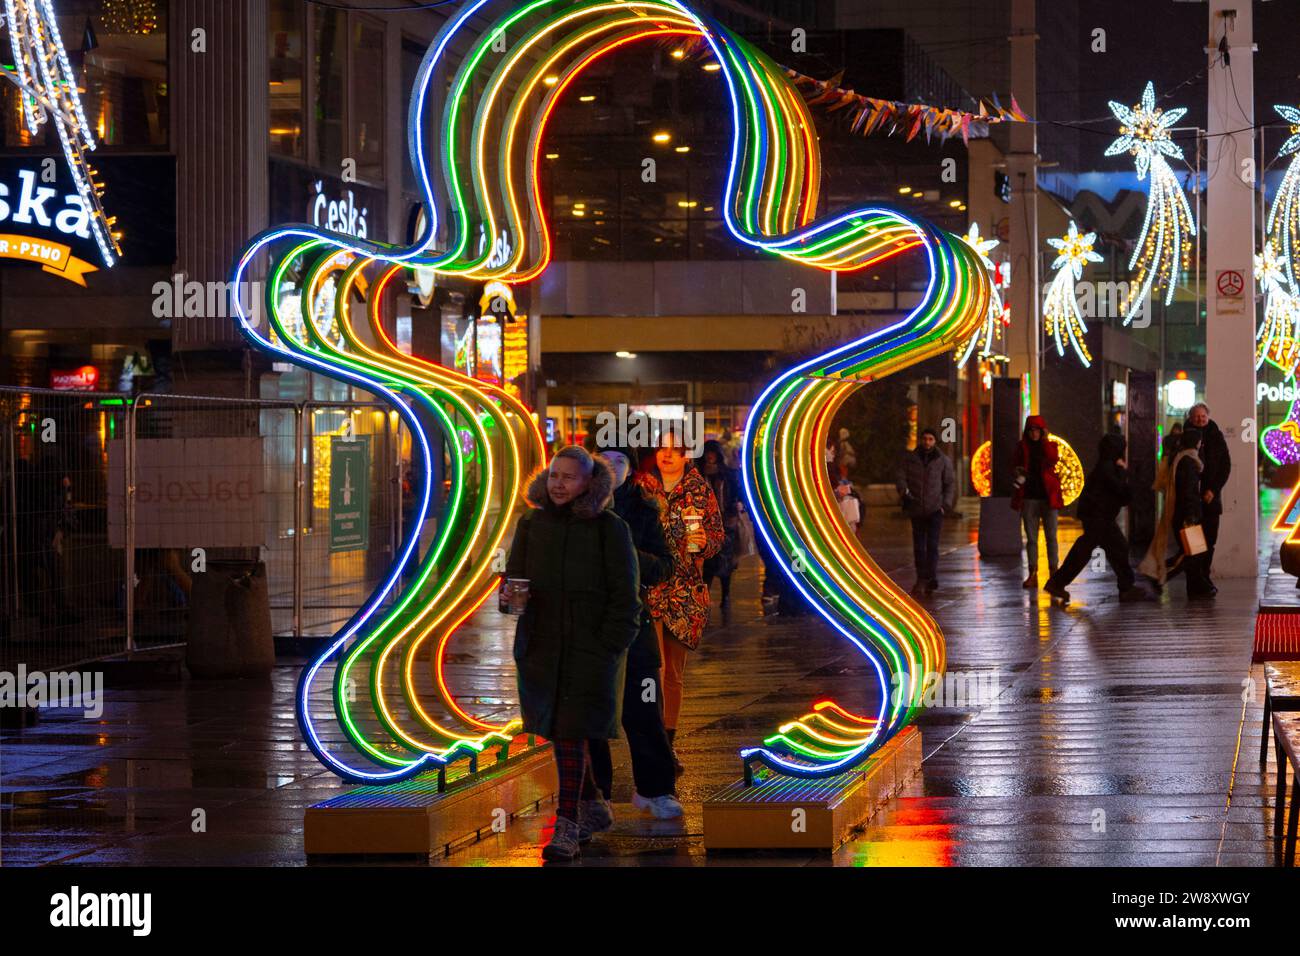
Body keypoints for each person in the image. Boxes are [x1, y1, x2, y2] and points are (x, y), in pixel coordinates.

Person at [505, 446, 641, 862]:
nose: (559, 484)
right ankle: (593, 803)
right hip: (542, 646)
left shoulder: (608, 528)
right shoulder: (532, 523)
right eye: (554, 476)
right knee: (558, 730)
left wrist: (609, 644)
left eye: (568, 477)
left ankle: (566, 821)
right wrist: (511, 596)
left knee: (571, 729)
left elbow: (626, 595)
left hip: (589, 649)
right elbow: (514, 579)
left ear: (589, 483)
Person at [586, 449, 683, 819]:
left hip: (634, 626)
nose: (612, 466)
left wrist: (628, 554)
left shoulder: (644, 510)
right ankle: (596, 795)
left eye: (620, 459)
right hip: (590, 628)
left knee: (644, 710)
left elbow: (664, 567)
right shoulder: (577, 512)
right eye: (604, 457)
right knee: (591, 716)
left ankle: (655, 789)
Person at [642, 431, 723, 776]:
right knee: (652, 669)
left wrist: (704, 543)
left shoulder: (700, 491)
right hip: (651, 589)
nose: (669, 455)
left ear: (687, 455)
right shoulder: (642, 488)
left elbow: (717, 536)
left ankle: (668, 743)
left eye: (677, 450)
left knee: (673, 673)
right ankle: (653, 742)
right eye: (663, 448)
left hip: (686, 590)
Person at [1044, 434, 1145, 604]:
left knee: (1101, 549)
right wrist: (1125, 472)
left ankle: (1057, 583)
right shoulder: (1109, 468)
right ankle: (1126, 588)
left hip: (1097, 515)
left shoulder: (1106, 465)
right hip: (1099, 516)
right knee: (1110, 548)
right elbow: (1121, 490)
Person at [895, 427, 954, 594]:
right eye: (925, 439)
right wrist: (903, 490)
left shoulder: (942, 460)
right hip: (916, 508)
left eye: (930, 439)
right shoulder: (911, 459)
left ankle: (931, 577)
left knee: (933, 546)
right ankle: (921, 577)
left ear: (935, 441)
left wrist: (945, 505)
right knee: (919, 546)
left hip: (935, 509)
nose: (927, 442)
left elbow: (949, 483)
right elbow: (901, 475)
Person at [1011, 415, 1062, 588]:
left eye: (1037, 430)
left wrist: (1046, 441)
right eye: (1031, 430)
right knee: (1031, 539)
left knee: (1051, 537)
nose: (1034, 433)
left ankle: (1054, 573)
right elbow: (1015, 467)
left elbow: (1053, 459)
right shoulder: (1021, 447)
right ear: (1027, 431)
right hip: (1029, 497)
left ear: (1042, 431)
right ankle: (1033, 574)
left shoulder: (1050, 446)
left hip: (1048, 497)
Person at [1186, 403, 1230, 584]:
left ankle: (1204, 576)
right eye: (1197, 416)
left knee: (1210, 540)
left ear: (1208, 416)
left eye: (1203, 416)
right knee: (1194, 543)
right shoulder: (1185, 437)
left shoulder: (1216, 436)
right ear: (1190, 418)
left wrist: (1213, 490)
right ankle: (1196, 580)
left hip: (1211, 499)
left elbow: (1224, 467)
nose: (1200, 419)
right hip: (1191, 502)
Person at [1169, 427, 1215, 599]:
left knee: (1194, 552)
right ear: (1197, 443)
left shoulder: (1182, 459)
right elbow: (1188, 491)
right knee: (1194, 553)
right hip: (1188, 516)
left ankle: (1198, 587)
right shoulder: (1189, 462)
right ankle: (1162, 579)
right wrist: (1191, 516)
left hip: (1185, 514)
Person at [700, 439, 741, 606]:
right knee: (708, 560)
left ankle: (725, 595)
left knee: (725, 561)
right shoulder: (698, 473)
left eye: (713, 453)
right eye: (708, 453)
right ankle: (705, 595)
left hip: (726, 521)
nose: (710, 457)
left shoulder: (727, 474)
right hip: (705, 522)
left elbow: (737, 492)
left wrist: (736, 505)